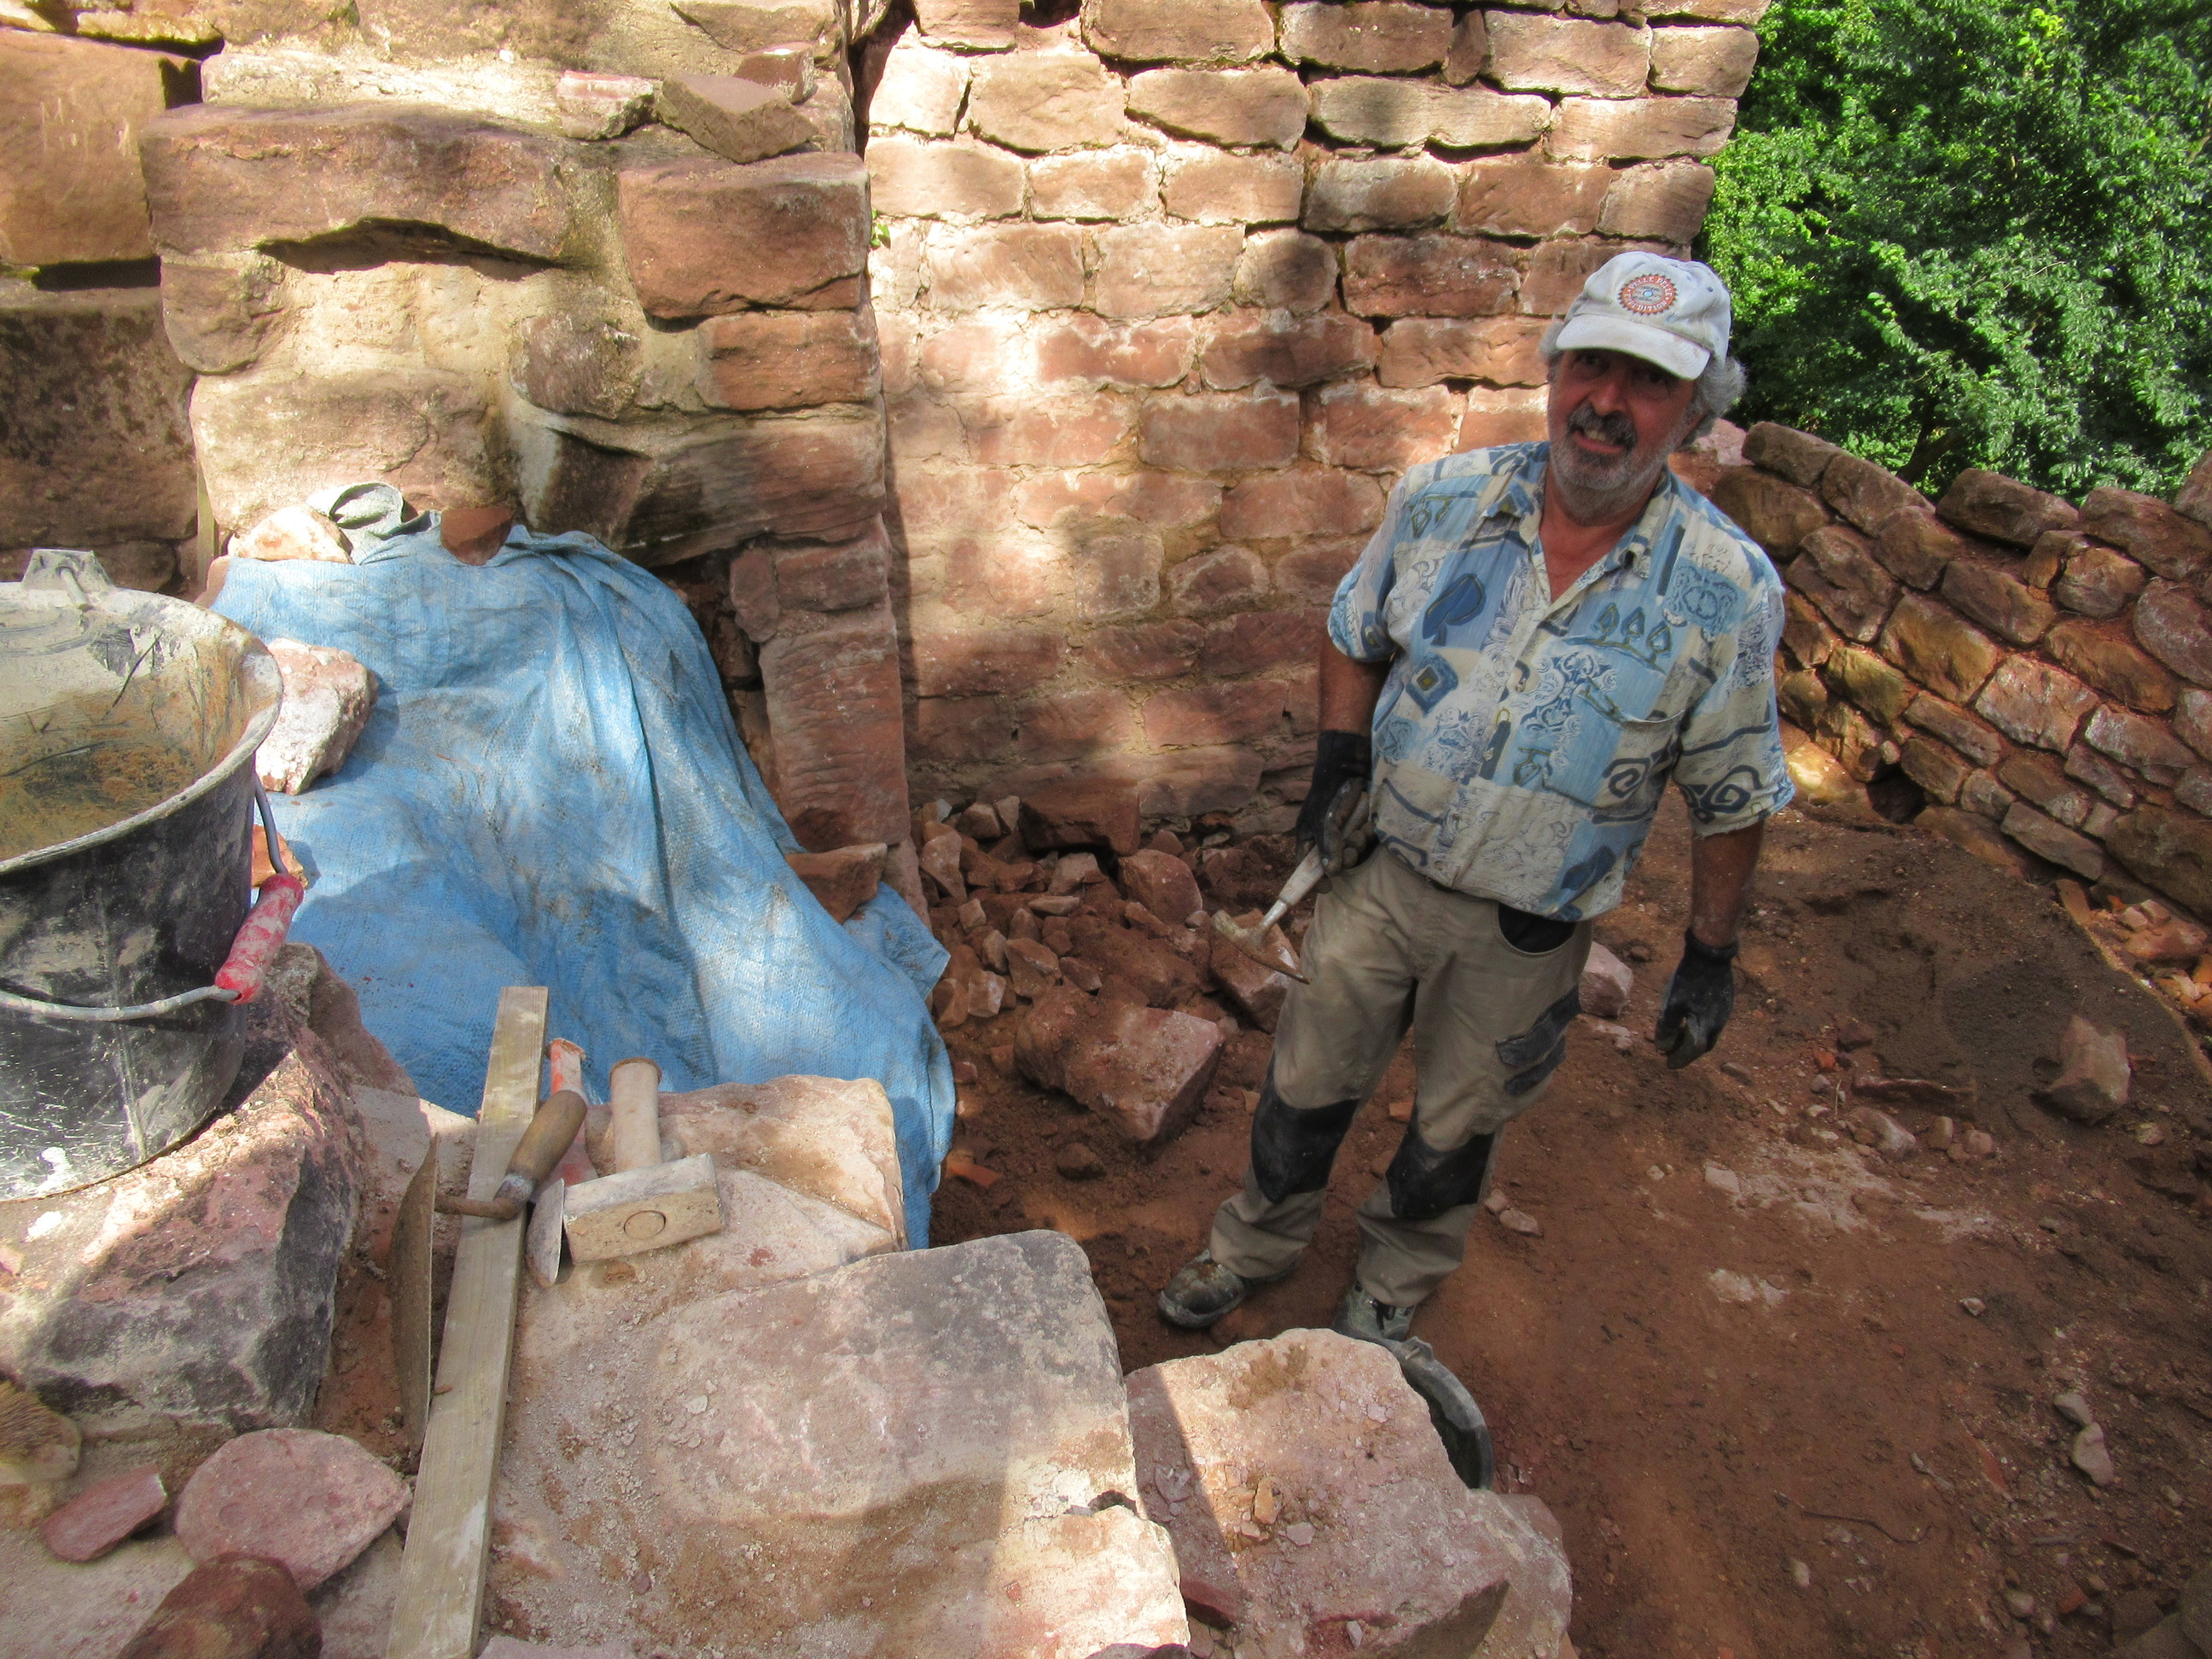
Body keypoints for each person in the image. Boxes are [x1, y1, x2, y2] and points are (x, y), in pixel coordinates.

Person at [1160, 252, 1795, 1346]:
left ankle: (1391, 1287)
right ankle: (1253, 1244)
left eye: (1649, 381)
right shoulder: (1443, 499)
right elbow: (1353, 632)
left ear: (1697, 410)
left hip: (1527, 929)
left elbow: (1734, 788)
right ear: (1554, 371)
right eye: (1590, 366)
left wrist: (1710, 954)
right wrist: (1338, 766)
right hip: (1379, 874)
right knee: (1305, 1082)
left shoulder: (1727, 588)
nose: (1606, 403)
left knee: (1456, 1130)